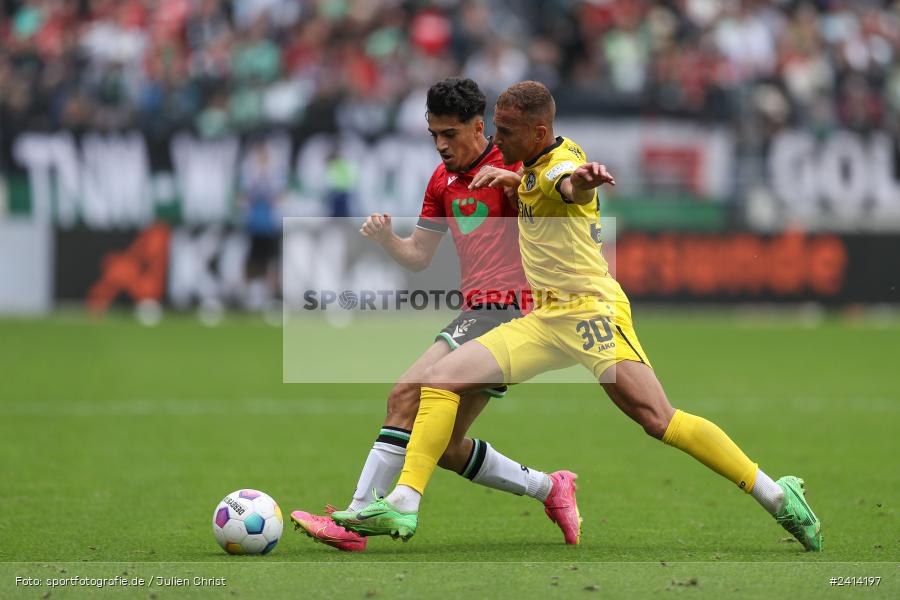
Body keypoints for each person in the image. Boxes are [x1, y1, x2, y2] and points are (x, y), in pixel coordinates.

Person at [332, 80, 823, 552]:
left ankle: (775, 494)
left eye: (505, 132)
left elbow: (567, 185)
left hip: (590, 315)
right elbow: (532, 182)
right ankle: (404, 501)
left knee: (658, 420)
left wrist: (583, 183)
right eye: (495, 129)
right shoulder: (526, 167)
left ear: (538, 134)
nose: (496, 141)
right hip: (543, 320)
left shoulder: (559, 164)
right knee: (439, 380)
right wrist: (513, 176)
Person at [290, 78, 582, 552]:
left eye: (450, 134)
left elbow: (553, 201)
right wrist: (388, 240)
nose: (442, 145)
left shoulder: (510, 164)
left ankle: (355, 518)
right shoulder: (441, 181)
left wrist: (524, 186)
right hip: (476, 309)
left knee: (406, 393)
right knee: (446, 448)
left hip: (509, 310)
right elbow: (420, 256)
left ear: (477, 126)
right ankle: (551, 488)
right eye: (434, 136)